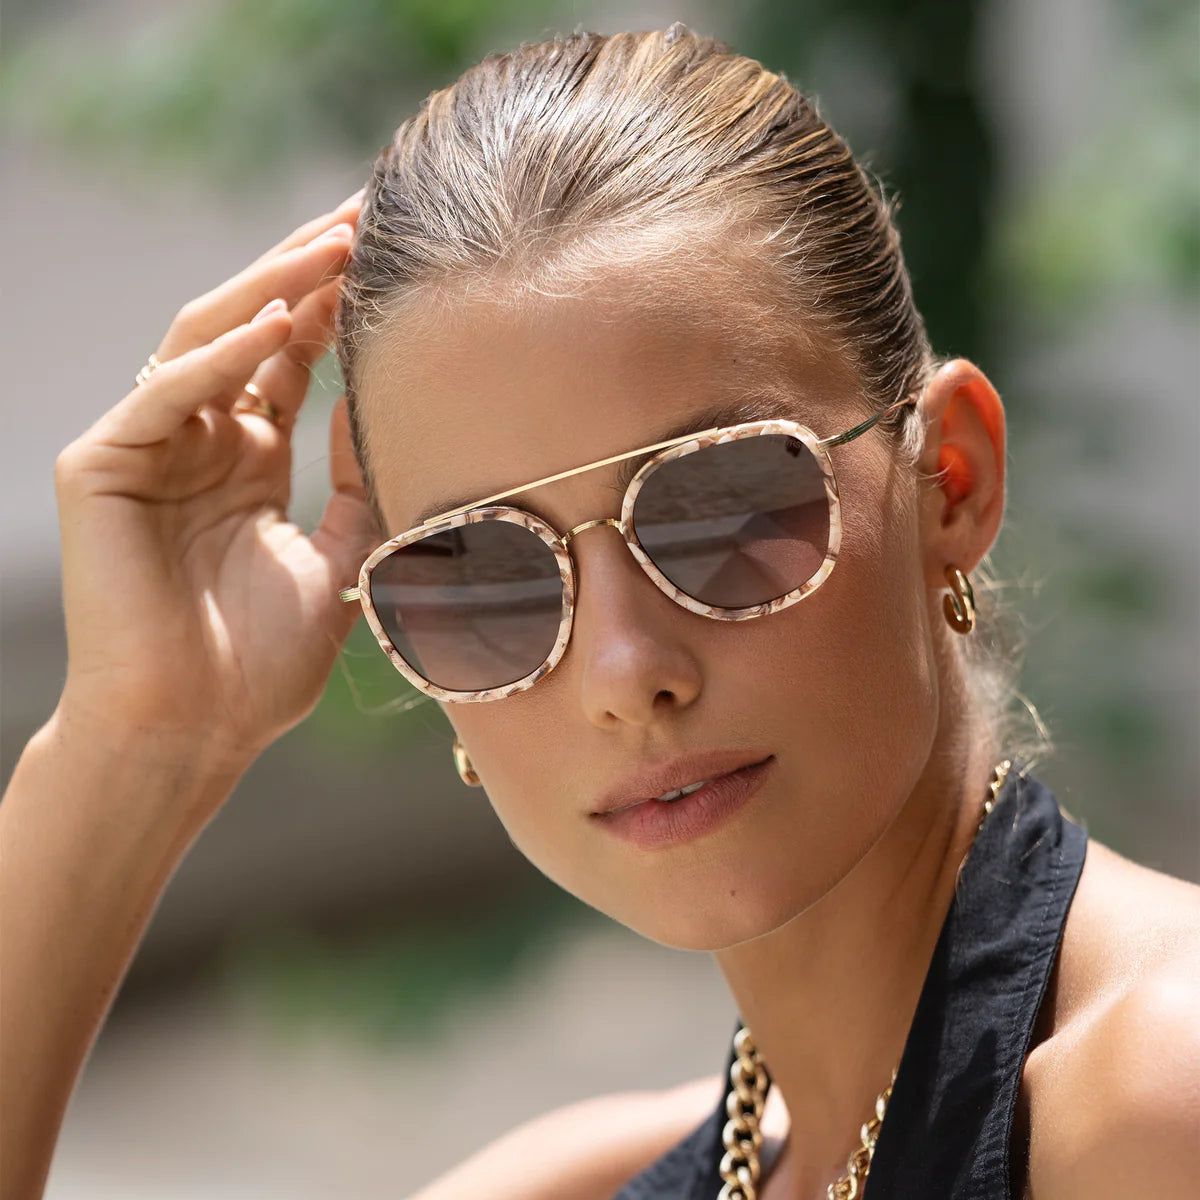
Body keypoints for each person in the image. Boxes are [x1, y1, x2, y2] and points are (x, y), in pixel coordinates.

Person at [2, 21, 1197, 1200]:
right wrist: (135, 740)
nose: (626, 670)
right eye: (485, 571)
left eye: (724, 507)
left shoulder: (1157, 1098)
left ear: (952, 479)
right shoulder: (595, 1180)